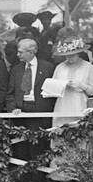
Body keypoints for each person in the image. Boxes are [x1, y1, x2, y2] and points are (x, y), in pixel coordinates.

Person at [5, 36, 57, 173]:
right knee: (21, 150)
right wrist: (12, 108)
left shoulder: (48, 68)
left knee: (40, 150)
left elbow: (54, 93)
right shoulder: (16, 69)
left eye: (21, 52)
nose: (17, 55)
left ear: (32, 52)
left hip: (40, 114)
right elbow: (9, 93)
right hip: (20, 114)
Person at [46, 29, 93, 127]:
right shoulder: (60, 67)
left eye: (72, 55)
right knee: (60, 131)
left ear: (78, 53)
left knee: (79, 132)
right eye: (67, 56)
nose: (69, 58)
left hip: (79, 103)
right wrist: (60, 86)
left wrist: (82, 85)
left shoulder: (88, 67)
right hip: (62, 103)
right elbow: (52, 89)